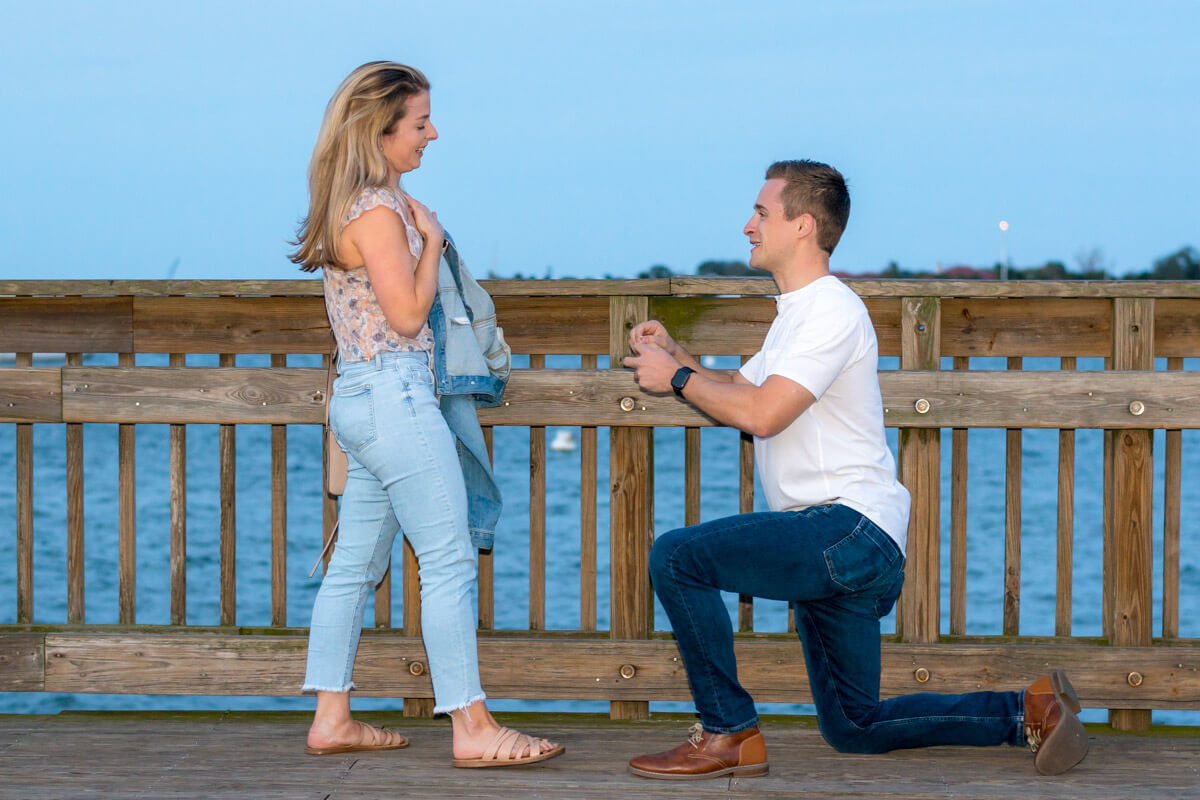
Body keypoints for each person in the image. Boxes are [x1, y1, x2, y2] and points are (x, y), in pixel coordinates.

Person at [623, 160, 1088, 780]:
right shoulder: (797, 314)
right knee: (854, 726)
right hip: (841, 542)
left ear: (803, 225)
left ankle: (727, 734)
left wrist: (676, 378)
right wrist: (678, 357)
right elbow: (739, 386)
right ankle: (1031, 712)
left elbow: (762, 414)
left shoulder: (831, 312)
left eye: (762, 214)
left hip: (846, 529)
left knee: (677, 557)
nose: (747, 226)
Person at [290, 61, 563, 768]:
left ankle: (332, 718)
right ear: (379, 131)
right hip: (395, 396)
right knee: (446, 562)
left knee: (353, 565)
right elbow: (409, 317)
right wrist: (433, 241)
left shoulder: (351, 204)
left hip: (361, 399)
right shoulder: (379, 214)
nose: (432, 133)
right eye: (419, 123)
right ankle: (473, 727)